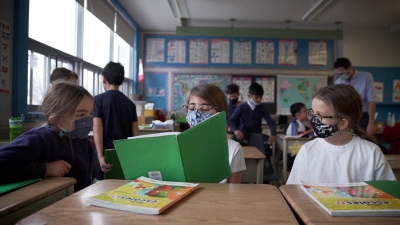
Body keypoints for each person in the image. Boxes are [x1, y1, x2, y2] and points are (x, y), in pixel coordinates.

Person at [287, 84, 396, 184]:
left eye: (320, 115)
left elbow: (388, 195)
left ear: (342, 123)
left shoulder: (371, 152)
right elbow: (294, 192)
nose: (313, 120)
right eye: (313, 113)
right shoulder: (307, 150)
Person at [0, 82, 94, 192]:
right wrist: (45, 169)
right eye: (81, 115)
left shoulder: (82, 140)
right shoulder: (41, 138)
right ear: (56, 120)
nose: (88, 120)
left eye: (91, 113)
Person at [183, 84, 246, 183]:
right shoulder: (178, 145)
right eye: (191, 108)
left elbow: (233, 193)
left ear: (220, 113)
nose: (196, 114)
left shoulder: (233, 149)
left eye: (204, 109)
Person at [93, 61, 140, 180]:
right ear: (122, 80)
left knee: (103, 187)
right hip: (125, 153)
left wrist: (100, 156)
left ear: (104, 79)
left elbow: (97, 127)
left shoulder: (98, 100)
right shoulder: (130, 104)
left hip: (107, 152)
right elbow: (135, 133)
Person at [333, 57, 376, 135]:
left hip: (362, 116)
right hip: (346, 117)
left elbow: (371, 100)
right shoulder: (338, 82)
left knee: (363, 140)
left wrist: (371, 123)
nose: (340, 75)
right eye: (338, 73)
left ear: (349, 68)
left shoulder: (366, 77)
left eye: (342, 72)